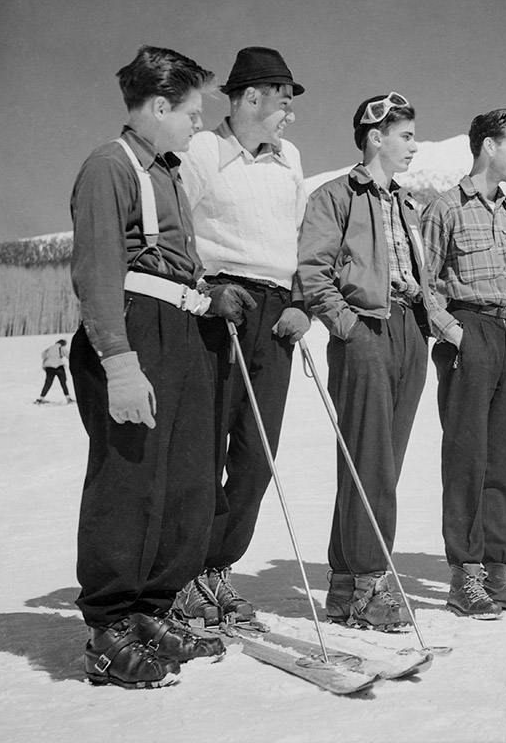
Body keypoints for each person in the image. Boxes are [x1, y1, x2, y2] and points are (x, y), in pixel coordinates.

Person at [69, 45, 227, 689]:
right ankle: (108, 629)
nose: (197, 124)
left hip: (180, 331)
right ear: (159, 106)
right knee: (130, 480)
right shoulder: (110, 165)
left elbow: (167, 262)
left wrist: (212, 296)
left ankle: (149, 610)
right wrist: (119, 363)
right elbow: (100, 269)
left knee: (184, 478)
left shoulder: (167, 171)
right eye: (191, 112)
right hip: (133, 334)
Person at [298, 93, 455, 631]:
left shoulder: (408, 205)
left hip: (408, 331)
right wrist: (349, 329)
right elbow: (312, 273)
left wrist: (430, 316)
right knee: (370, 463)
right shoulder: (333, 197)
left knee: (381, 462)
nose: (415, 145)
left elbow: (422, 275)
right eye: (406, 135)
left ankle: (344, 589)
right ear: (374, 136)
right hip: (364, 333)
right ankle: (368, 585)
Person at [175, 46, 311, 627]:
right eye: (284, 100)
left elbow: (300, 236)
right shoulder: (203, 149)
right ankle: (184, 576)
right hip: (222, 305)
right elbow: (175, 224)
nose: (290, 113)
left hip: (276, 312)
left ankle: (217, 567)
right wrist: (204, 292)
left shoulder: (290, 157)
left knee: (258, 454)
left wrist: (303, 302)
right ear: (251, 97)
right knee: (204, 450)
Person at [421, 109, 506, 619]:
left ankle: (501, 571)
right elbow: (424, 284)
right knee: (467, 459)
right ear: (487, 147)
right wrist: (455, 333)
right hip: (468, 333)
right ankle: (466, 575)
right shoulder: (445, 209)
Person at [35, 339, 73, 403]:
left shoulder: (50, 348)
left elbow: (43, 355)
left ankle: (41, 398)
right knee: (63, 382)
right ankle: (68, 398)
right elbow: (69, 355)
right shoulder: (61, 348)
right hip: (59, 366)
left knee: (48, 383)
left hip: (49, 367)